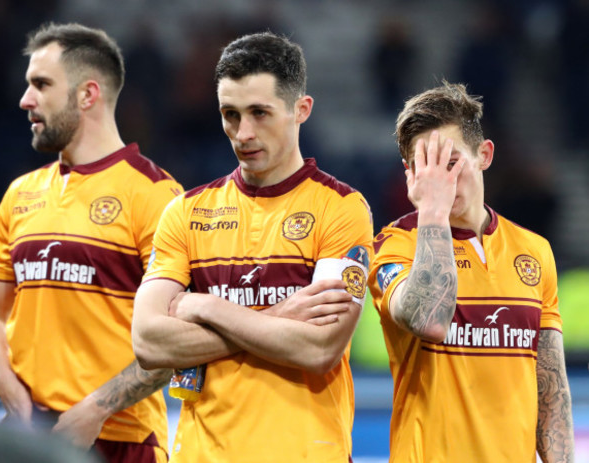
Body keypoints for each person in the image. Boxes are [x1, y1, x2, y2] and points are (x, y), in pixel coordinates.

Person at [132, 32, 373, 462]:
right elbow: (150, 343)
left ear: (302, 110)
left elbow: (318, 349)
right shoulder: (185, 212)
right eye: (230, 114)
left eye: (260, 113)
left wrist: (206, 307)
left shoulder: (342, 209)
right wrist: (280, 317)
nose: (242, 133)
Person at [0, 22, 183, 463]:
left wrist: (94, 411)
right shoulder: (19, 194)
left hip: (121, 441)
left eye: (41, 85)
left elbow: (176, 341)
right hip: (26, 438)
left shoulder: (158, 196)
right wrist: (11, 395)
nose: (25, 100)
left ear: (88, 95)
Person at [368, 81, 574, 462]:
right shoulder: (393, 245)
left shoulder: (534, 250)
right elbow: (428, 320)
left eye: (450, 163)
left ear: (484, 154)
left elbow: (551, 389)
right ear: (409, 175)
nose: (441, 181)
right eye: (424, 167)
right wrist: (432, 211)